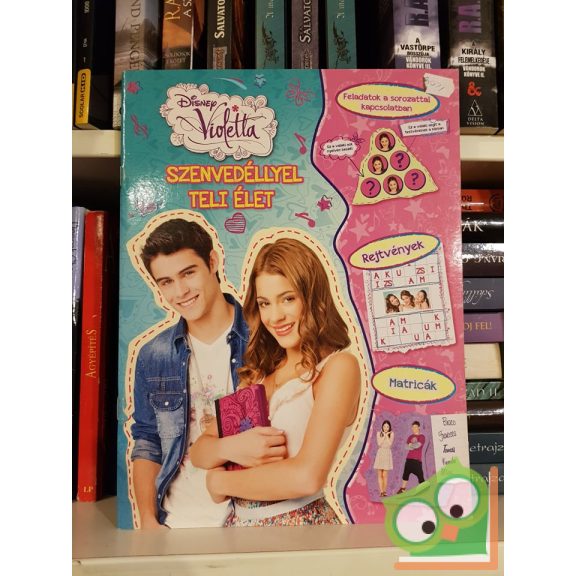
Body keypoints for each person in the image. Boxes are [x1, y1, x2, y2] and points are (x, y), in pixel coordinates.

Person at [190, 237, 361, 526]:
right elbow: (199, 451)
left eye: (288, 299)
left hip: (300, 529)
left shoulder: (338, 367)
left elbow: (306, 477)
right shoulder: (259, 374)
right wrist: (232, 448)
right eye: (265, 303)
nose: (275, 316)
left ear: (312, 296)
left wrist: (219, 482)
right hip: (239, 529)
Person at [129, 218, 284, 529]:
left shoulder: (267, 334)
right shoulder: (153, 355)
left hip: (254, 520)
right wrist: (147, 520)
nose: (180, 291)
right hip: (176, 524)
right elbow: (147, 442)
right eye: (166, 282)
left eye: (188, 273)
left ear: (212, 262)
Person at [397, 421, 426, 493]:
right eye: (412, 427)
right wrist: (411, 446)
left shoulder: (422, 436)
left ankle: (425, 491)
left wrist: (411, 445)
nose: (414, 428)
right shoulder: (410, 437)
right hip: (408, 459)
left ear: (419, 427)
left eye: (415, 427)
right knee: (405, 475)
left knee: (420, 477)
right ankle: (402, 489)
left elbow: (418, 445)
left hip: (417, 460)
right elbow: (406, 447)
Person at [373, 420, 394, 497]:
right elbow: (379, 444)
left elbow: (390, 444)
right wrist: (384, 435)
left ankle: (384, 491)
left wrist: (387, 436)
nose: (386, 428)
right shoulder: (379, 433)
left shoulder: (391, 434)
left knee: (385, 474)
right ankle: (381, 492)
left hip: (387, 453)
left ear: (389, 427)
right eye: (384, 426)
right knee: (379, 474)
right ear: (382, 427)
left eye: (387, 427)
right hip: (380, 453)